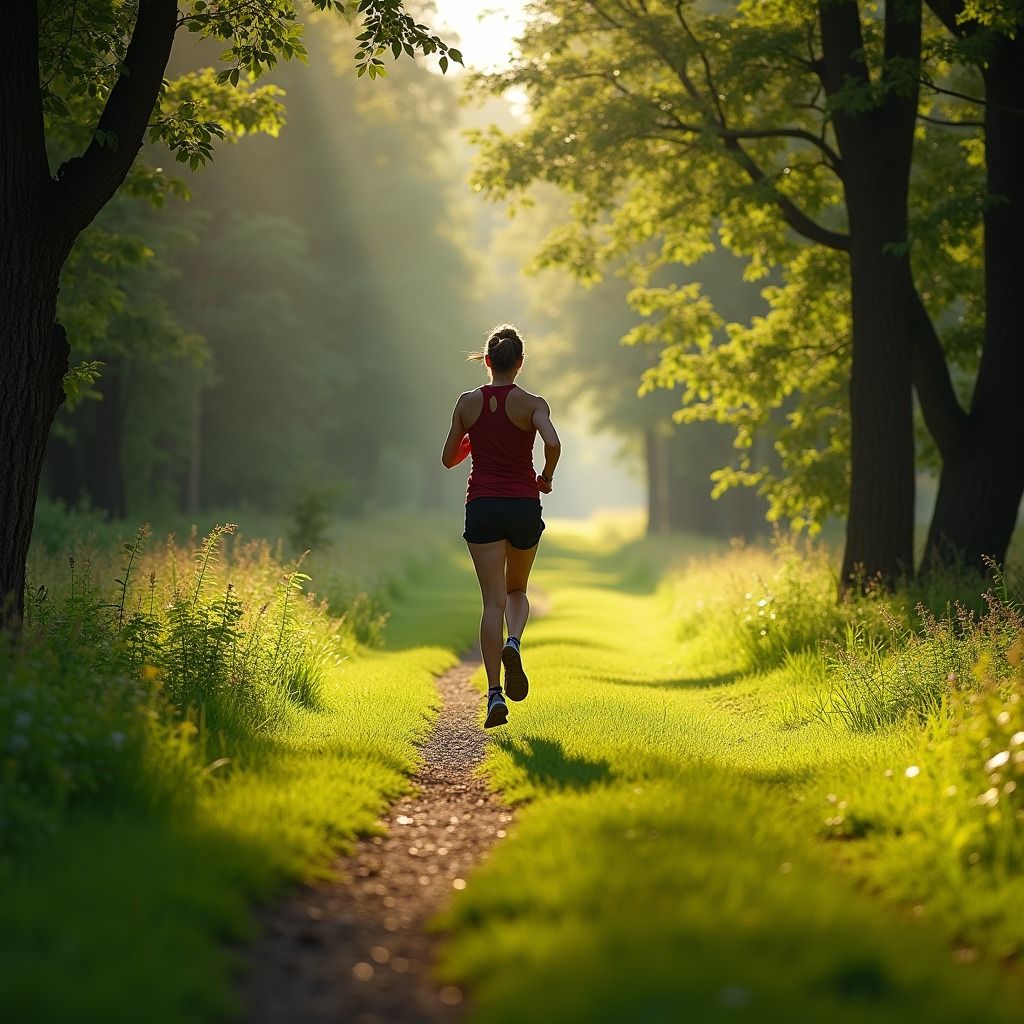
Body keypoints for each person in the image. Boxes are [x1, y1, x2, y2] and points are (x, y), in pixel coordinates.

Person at [440, 324, 561, 729]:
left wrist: (474, 438)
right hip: (524, 504)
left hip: (484, 506)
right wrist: (546, 476)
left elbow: (448, 458)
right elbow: (553, 442)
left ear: (487, 361)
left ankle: (494, 695)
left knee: (492, 601)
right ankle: (514, 641)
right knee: (516, 591)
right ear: (520, 363)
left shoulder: (466, 403)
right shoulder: (533, 403)